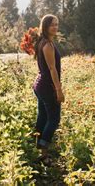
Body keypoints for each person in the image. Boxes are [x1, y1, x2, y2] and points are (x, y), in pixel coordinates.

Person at [32, 14, 64, 164]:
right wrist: (58, 90)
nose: (55, 27)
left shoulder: (43, 42)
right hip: (47, 86)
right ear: (45, 26)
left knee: (43, 117)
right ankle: (44, 155)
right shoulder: (47, 45)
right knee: (54, 119)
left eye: (57, 24)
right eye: (52, 24)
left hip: (40, 85)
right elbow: (52, 69)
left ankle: (36, 147)